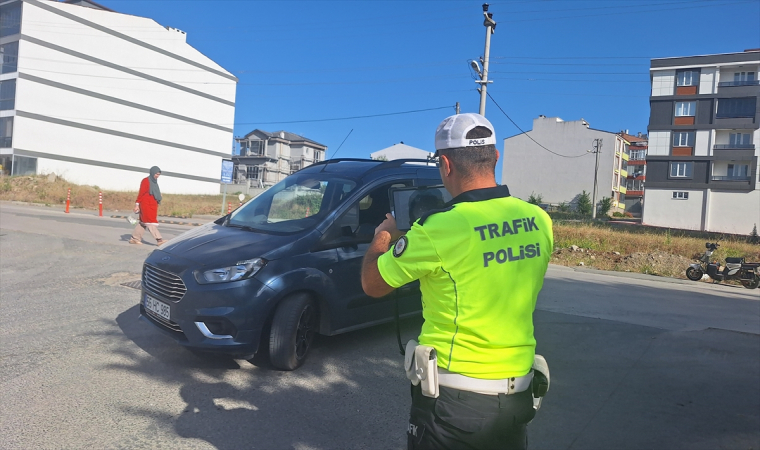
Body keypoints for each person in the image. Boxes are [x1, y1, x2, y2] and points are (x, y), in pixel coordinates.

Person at [361, 113, 553, 450]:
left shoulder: (438, 229)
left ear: (446, 165)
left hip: (454, 405)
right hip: (518, 398)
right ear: (495, 157)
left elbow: (373, 284)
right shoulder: (539, 219)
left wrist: (382, 237)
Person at [129, 166, 167, 246]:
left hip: (152, 206)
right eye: (156, 174)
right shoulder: (146, 181)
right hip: (146, 205)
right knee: (150, 222)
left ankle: (135, 238)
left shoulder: (154, 181)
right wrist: (137, 204)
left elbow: (155, 192)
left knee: (143, 223)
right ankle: (159, 240)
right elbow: (141, 193)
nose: (157, 176)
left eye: (159, 174)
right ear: (152, 172)